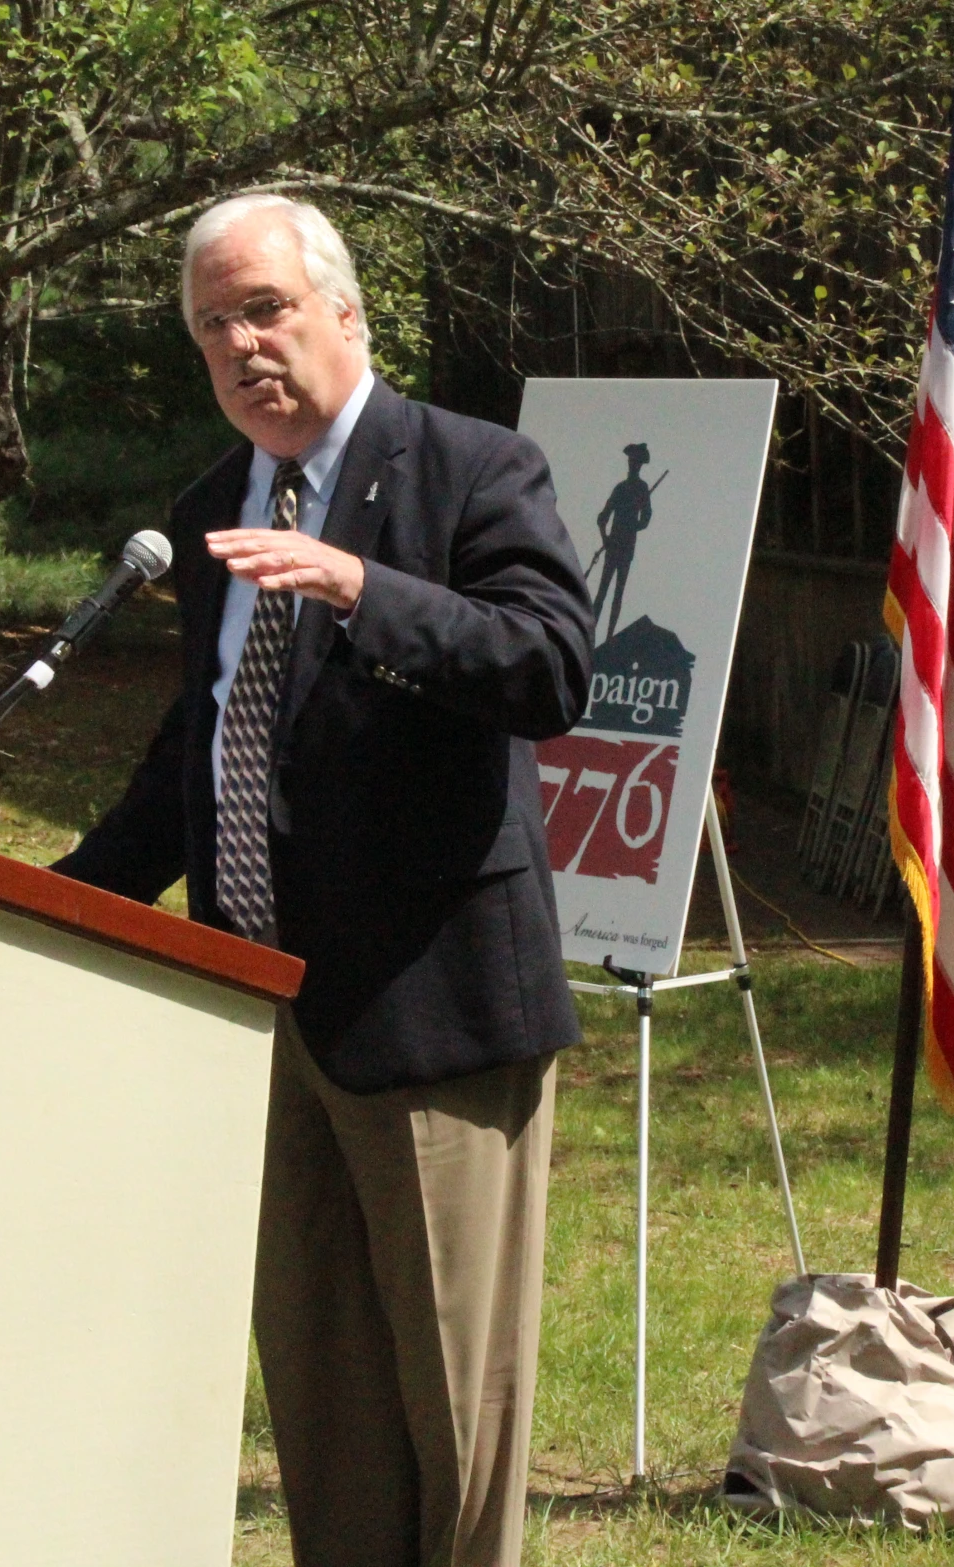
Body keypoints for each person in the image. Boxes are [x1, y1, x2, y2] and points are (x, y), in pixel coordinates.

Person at [52, 193, 593, 1567]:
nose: (239, 345)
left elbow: (547, 668)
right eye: (210, 326)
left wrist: (359, 584)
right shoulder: (207, 504)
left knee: (454, 1408)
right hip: (259, 1011)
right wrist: (64, 900)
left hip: (430, 1007)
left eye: (264, 309)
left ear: (345, 312)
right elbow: (205, 735)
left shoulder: (472, 467)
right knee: (324, 1397)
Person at [589, 441, 653, 641]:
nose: (632, 465)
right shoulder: (621, 488)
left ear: (639, 465)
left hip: (626, 547)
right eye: (631, 461)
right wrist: (606, 539)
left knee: (618, 592)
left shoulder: (642, 489)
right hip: (615, 545)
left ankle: (609, 637)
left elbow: (646, 517)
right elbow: (602, 518)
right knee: (602, 592)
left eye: (635, 462)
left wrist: (635, 525)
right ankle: (591, 635)